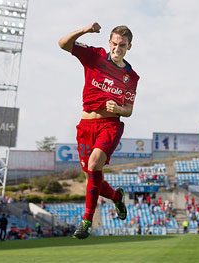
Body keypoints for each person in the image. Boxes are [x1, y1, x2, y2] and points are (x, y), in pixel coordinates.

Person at [58, 22, 139, 239]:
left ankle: (86, 220)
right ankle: (116, 197)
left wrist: (120, 108)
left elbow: (129, 110)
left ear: (129, 46)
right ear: (109, 42)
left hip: (110, 125)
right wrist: (84, 30)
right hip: (85, 126)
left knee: (94, 165)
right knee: (92, 175)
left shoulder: (131, 77)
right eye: (115, 43)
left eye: (122, 45)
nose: (117, 48)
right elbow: (63, 43)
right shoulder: (95, 56)